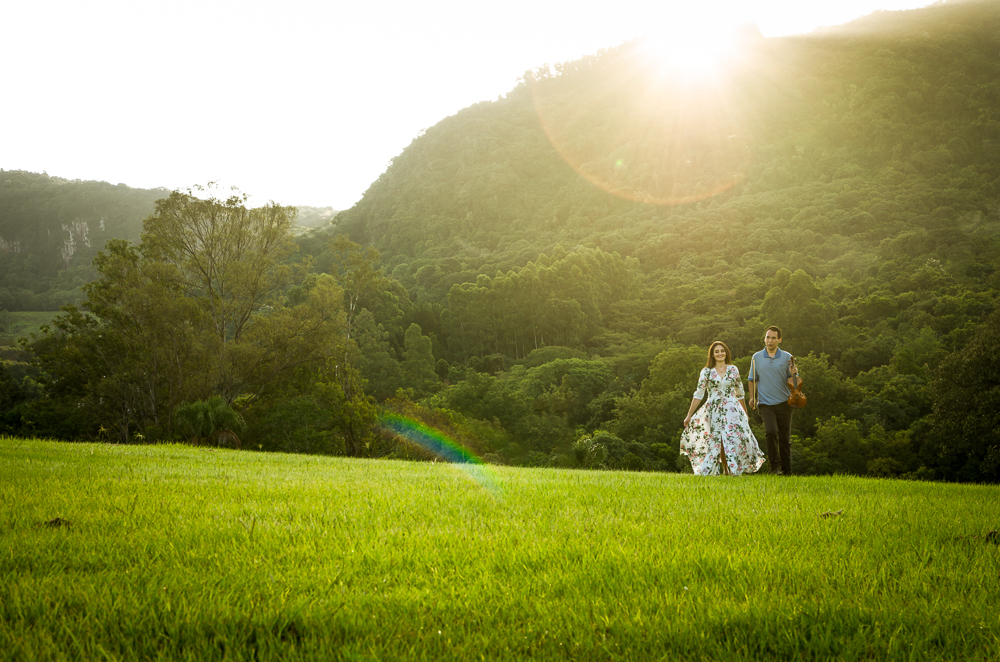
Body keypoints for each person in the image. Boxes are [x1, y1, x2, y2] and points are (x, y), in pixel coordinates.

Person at [679, 341, 765, 476]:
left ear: (726, 353)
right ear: (712, 355)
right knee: (717, 440)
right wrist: (689, 415)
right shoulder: (706, 372)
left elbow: (740, 392)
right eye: (717, 351)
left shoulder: (733, 369)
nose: (720, 353)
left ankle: (730, 469)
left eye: (722, 351)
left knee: (731, 438)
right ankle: (723, 468)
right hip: (713, 409)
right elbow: (699, 394)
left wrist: (745, 412)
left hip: (732, 408)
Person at [747, 326, 799, 475]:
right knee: (770, 432)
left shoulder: (787, 357)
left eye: (773, 338)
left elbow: (793, 381)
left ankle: (787, 471)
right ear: (764, 338)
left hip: (784, 403)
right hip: (765, 403)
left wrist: (793, 373)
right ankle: (774, 467)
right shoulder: (756, 357)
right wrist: (752, 397)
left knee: (785, 439)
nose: (770, 341)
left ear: (779, 340)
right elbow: (752, 379)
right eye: (768, 337)